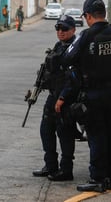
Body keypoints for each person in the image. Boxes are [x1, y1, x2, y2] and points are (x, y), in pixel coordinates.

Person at [62, 0, 111, 192]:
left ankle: (98, 178)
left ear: (88, 16)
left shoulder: (86, 36)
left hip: (94, 93)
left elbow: (67, 58)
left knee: (97, 136)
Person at [32, 15, 79, 181]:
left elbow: (74, 77)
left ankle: (66, 170)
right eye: (58, 28)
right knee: (46, 130)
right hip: (53, 96)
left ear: (73, 30)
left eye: (64, 29)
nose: (60, 32)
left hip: (66, 99)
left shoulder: (75, 47)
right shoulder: (59, 46)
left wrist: (63, 97)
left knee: (65, 133)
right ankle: (50, 165)